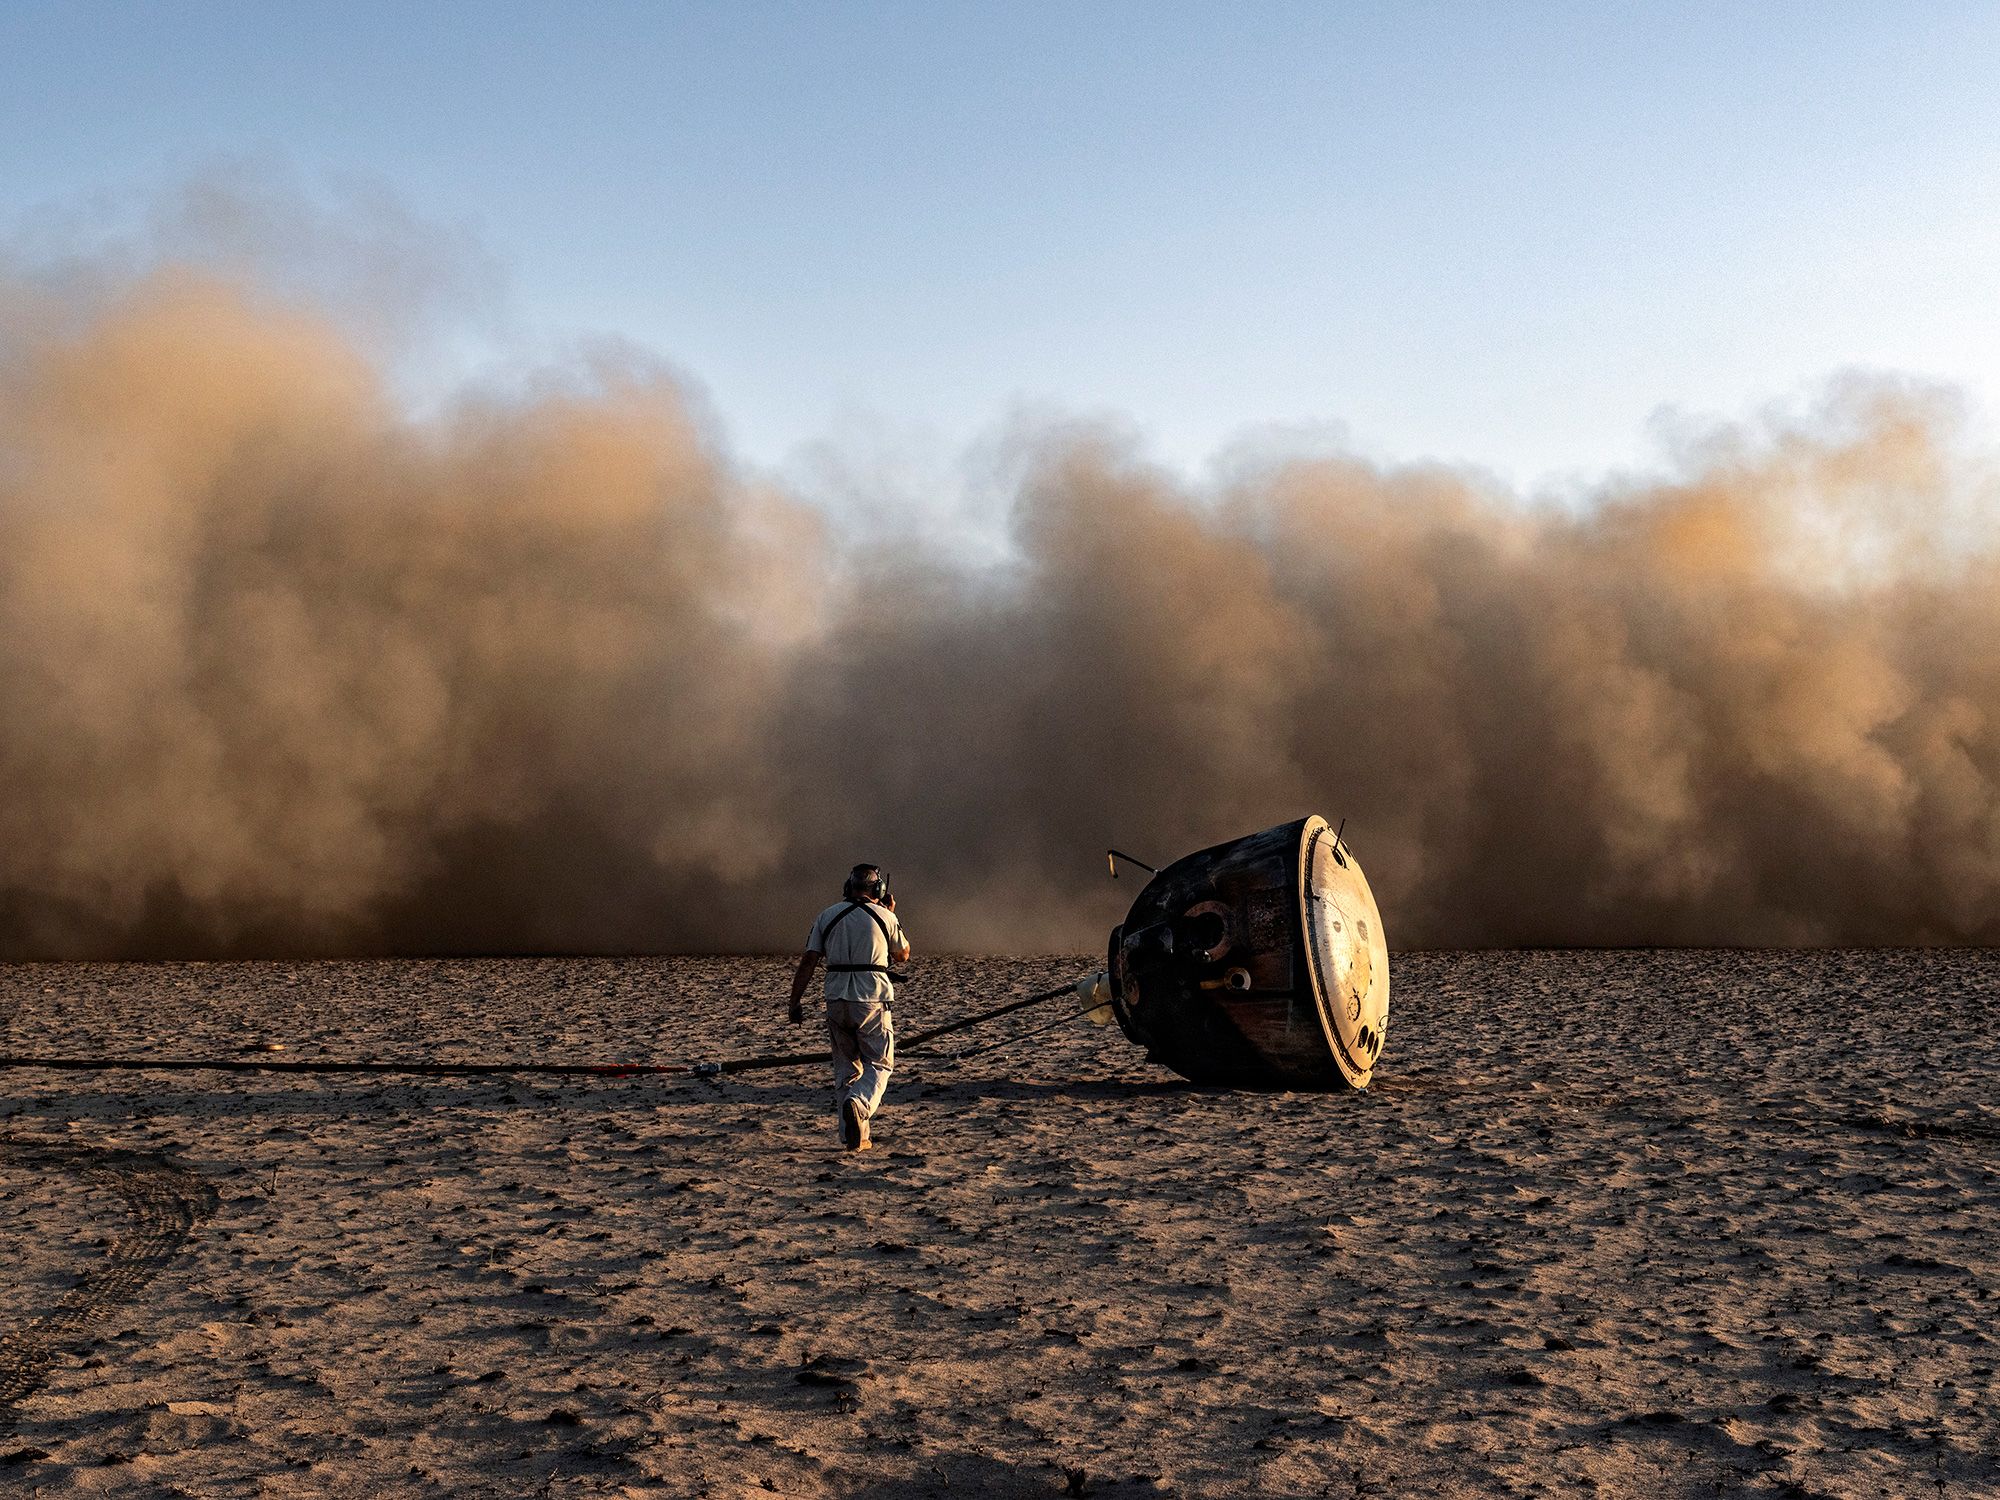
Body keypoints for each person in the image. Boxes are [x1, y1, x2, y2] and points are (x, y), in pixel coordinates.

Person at [790, 864, 912, 1152]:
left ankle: (853, 1138)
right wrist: (891, 914)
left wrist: (794, 1001)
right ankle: (860, 1104)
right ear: (878, 890)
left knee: (846, 1069)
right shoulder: (885, 916)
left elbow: (809, 961)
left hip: (835, 999)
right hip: (872, 997)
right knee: (880, 1063)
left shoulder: (827, 915)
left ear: (849, 886)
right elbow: (903, 955)